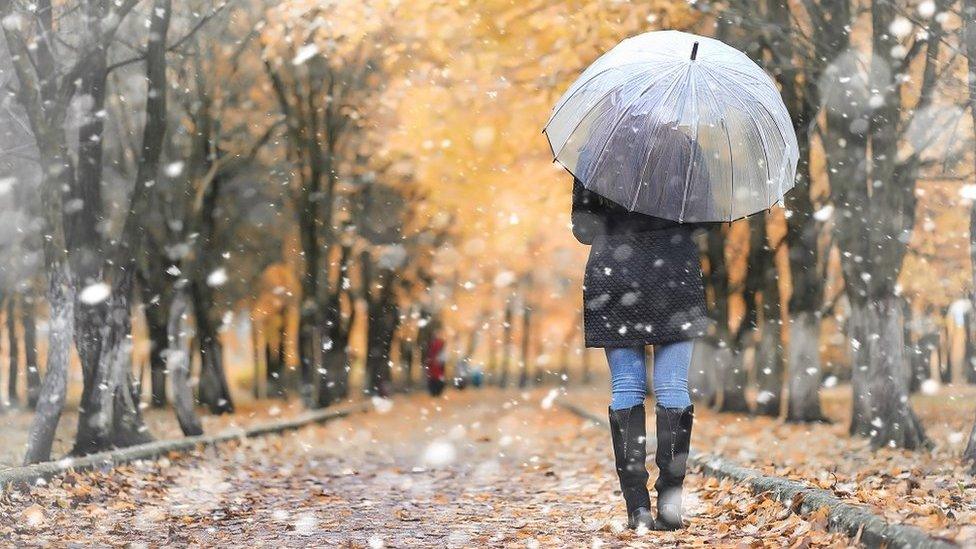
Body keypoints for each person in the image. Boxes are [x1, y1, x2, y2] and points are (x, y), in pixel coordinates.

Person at [571, 174, 710, 531]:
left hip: (615, 274)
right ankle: (670, 504)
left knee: (626, 389)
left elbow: (584, 230)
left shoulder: (598, 157)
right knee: (673, 386)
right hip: (675, 274)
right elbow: (705, 224)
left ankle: (638, 509)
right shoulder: (687, 150)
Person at [424, 328, 447, 397]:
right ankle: (437, 392)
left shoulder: (431, 343)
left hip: (434, 367)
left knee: (433, 379)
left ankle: (434, 392)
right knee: (437, 379)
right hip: (437, 367)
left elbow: (429, 354)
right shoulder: (440, 343)